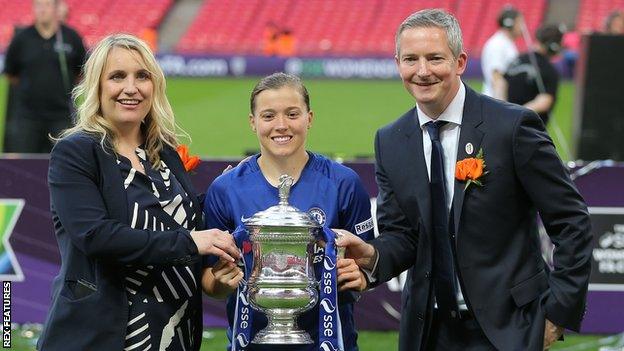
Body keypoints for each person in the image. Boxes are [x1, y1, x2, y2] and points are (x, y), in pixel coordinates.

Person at [335, 9, 592, 351]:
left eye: (435, 58)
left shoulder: (512, 127)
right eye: (411, 59)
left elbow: (572, 222)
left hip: (509, 330)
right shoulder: (391, 139)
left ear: (459, 62)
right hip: (426, 332)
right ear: (398, 64)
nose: (422, 71)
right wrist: (372, 255)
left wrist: (557, 314)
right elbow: (404, 236)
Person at [38, 34, 240, 351]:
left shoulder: (166, 152)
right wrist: (191, 242)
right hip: (104, 337)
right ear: (98, 86)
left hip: (175, 334)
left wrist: (226, 194)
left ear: (154, 86)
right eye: (117, 76)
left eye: (142, 76)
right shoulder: (76, 152)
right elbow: (96, 235)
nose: (131, 88)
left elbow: (177, 225)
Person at [202, 72, 374, 351]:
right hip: (252, 343)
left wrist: (363, 276)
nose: (281, 125)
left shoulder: (343, 183)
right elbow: (210, 281)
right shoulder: (225, 189)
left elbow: (369, 261)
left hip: (327, 343)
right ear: (252, 122)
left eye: (292, 114)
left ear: (309, 118)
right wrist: (222, 282)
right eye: (268, 116)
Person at [3, 0, 86, 153]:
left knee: (64, 163)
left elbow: (81, 72)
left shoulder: (71, 37)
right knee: (24, 166)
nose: (42, 10)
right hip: (28, 117)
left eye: (47, 5)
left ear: (56, 8)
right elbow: (11, 74)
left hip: (61, 116)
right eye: (38, 5)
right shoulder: (21, 39)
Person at [505, 24, 564, 125]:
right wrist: (516, 115)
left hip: (507, 124)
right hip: (529, 130)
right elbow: (544, 101)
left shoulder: (517, 59)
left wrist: (506, 113)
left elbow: (501, 84)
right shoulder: (549, 69)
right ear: (553, 45)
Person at [480, 6, 522, 99]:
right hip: (495, 101)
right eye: (519, 22)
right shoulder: (498, 44)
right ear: (510, 24)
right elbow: (497, 78)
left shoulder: (506, 43)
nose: (522, 26)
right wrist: (502, 107)